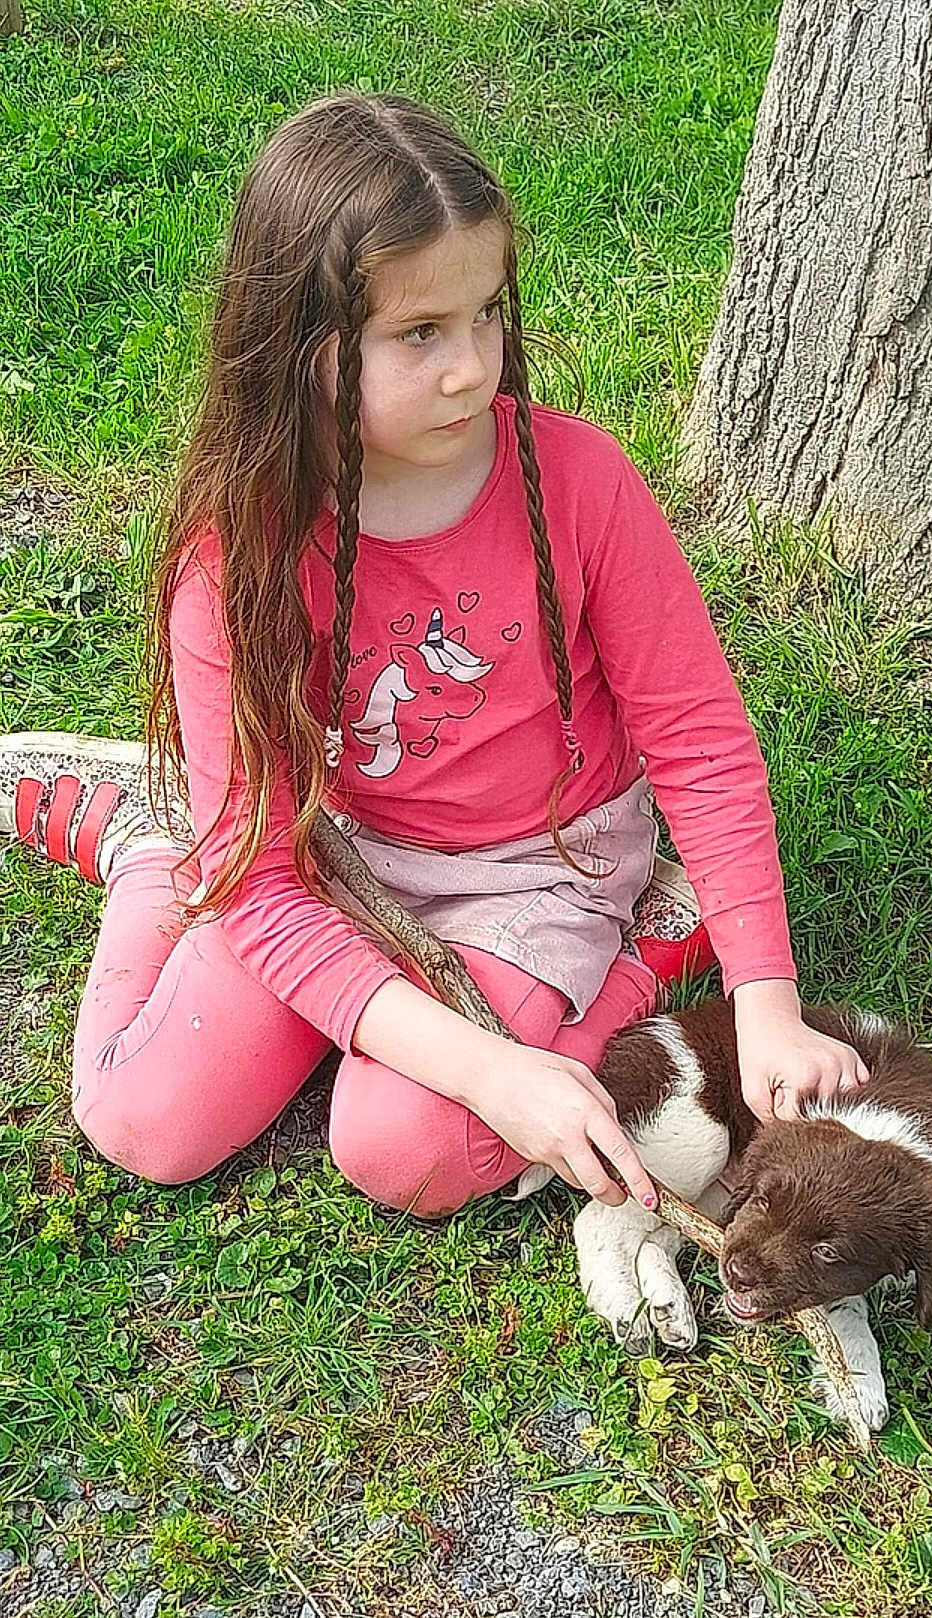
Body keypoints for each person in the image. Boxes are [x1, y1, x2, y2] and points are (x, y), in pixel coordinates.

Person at [0, 91, 869, 1219]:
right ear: (302, 350)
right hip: (335, 843)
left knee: (403, 1147)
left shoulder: (580, 480)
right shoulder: (236, 555)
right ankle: (152, 848)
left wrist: (763, 999)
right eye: (419, 333)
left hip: (540, 860)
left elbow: (697, 740)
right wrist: (492, 1068)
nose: (472, 367)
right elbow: (266, 885)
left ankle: (642, 946)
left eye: (484, 316)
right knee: (146, 1122)